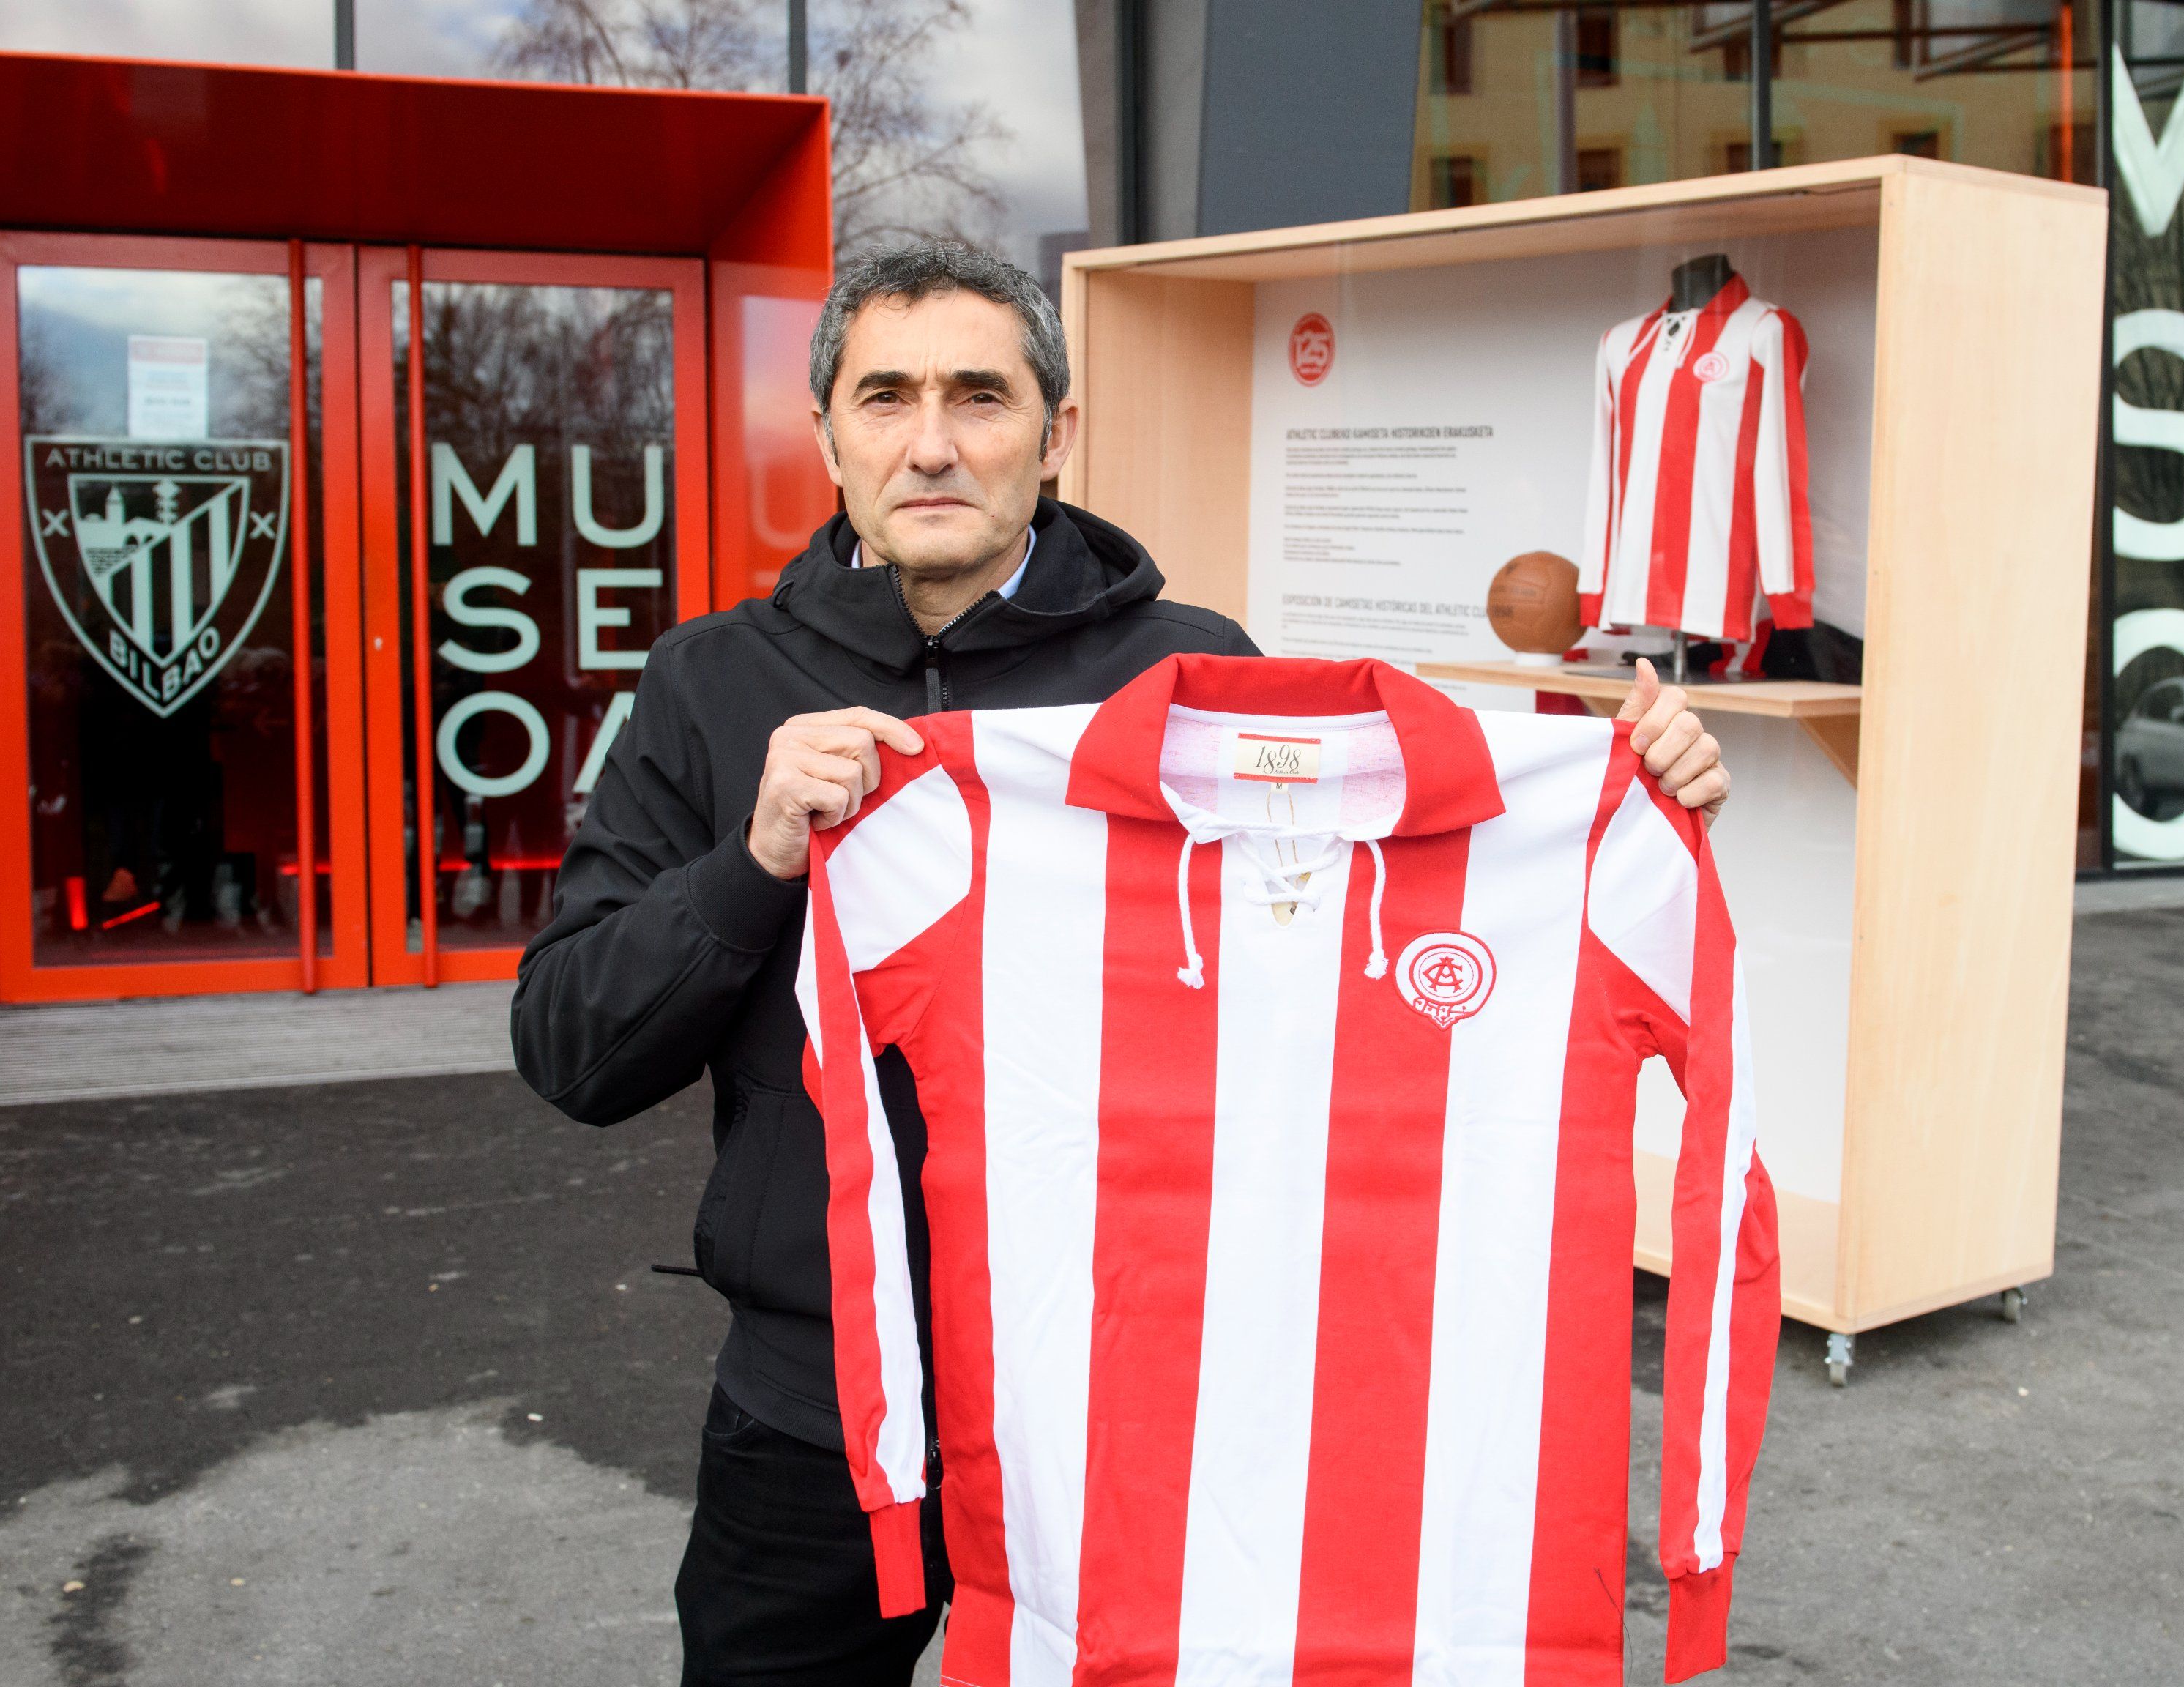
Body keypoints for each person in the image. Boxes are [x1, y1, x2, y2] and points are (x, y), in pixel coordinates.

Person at [510, 242, 1734, 1687]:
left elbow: (1358, 940)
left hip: (1139, 1386)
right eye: (885, 397)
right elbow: (573, 1048)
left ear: (1056, 432)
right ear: (826, 428)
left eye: (981, 397)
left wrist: (1625, 789)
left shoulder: (1193, 673)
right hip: (823, 1393)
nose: (931, 443)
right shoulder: (711, 684)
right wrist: (754, 858)